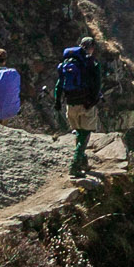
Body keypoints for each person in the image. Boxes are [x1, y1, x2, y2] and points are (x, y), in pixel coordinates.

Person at [53, 35, 104, 176]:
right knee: (85, 134)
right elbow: (97, 84)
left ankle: (83, 161)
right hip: (86, 104)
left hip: (70, 103)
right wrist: (93, 101)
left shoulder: (66, 63)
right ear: (92, 47)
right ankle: (75, 165)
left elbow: (58, 85)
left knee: (78, 132)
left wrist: (57, 102)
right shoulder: (92, 63)